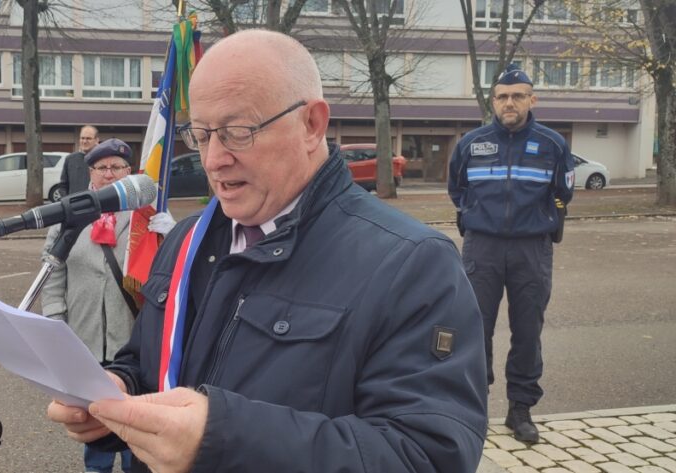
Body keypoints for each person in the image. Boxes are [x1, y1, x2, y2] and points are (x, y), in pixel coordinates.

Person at [47, 30, 488, 473]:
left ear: (312, 124)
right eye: (200, 135)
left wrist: (222, 441)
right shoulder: (185, 241)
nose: (214, 159)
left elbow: (428, 457)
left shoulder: (412, 263)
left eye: (238, 132)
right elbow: (148, 363)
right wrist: (115, 391)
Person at [448, 64, 575, 444]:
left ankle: (520, 410)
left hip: (531, 249)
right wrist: (476, 217)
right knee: (475, 329)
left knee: (527, 331)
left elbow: (563, 193)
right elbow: (457, 189)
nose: (510, 103)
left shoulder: (552, 144)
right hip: (481, 248)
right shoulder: (472, 143)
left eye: (518, 95)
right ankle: (476, 408)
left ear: (532, 100)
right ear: (493, 101)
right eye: (503, 96)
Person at [41, 138, 145, 473]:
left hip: (130, 340)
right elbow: (53, 278)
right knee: (93, 421)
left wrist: (169, 238)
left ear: (129, 172)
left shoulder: (145, 218)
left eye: (118, 167)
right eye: (103, 168)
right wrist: (56, 326)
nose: (110, 174)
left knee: (133, 425)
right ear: (91, 173)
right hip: (82, 338)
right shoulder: (68, 216)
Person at [59, 125, 100, 196]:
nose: (84, 141)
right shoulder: (70, 159)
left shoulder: (102, 159)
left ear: (96, 140)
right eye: (82, 138)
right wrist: (66, 201)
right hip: (74, 205)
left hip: (96, 204)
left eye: (88, 138)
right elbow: (63, 186)